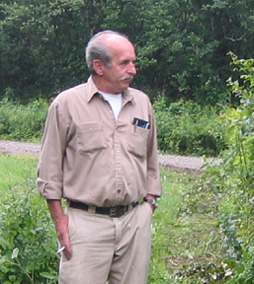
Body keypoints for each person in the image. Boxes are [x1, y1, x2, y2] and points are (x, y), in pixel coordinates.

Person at [37, 30, 161, 284]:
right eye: (124, 63)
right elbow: (49, 170)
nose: (133, 69)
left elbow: (151, 160)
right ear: (98, 66)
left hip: (134, 222)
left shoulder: (142, 103)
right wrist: (61, 223)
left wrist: (149, 205)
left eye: (133, 62)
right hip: (86, 223)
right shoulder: (67, 104)